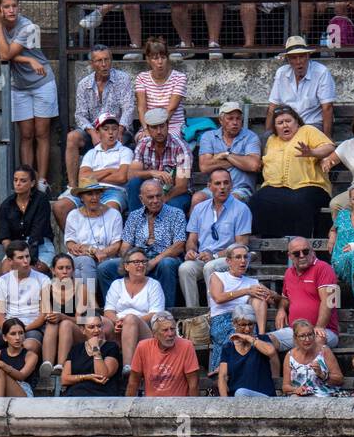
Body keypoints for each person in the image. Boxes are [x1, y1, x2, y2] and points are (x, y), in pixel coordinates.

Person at [0, 0, 56, 192]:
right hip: (19, 85)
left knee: (42, 133)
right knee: (26, 134)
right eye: (6, 7)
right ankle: (27, 178)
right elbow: (3, 54)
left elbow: (7, 54)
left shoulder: (29, 26)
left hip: (41, 82)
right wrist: (28, 61)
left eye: (14, 6)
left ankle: (42, 181)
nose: (11, 10)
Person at [252, 105, 334, 240]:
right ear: (275, 127)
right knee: (258, 200)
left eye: (288, 121)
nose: (285, 125)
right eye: (280, 123)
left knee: (299, 201)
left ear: (297, 121)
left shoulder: (307, 130)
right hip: (276, 186)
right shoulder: (272, 140)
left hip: (309, 185)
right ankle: (271, 248)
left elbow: (329, 147)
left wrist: (312, 152)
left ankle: (301, 245)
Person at [103, 178, 186, 308]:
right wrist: (133, 261)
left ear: (163, 196)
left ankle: (165, 314)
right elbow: (125, 246)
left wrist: (153, 261)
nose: (155, 200)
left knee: (166, 264)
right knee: (105, 268)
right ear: (141, 199)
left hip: (164, 256)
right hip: (138, 256)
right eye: (150, 197)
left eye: (159, 196)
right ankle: (113, 310)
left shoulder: (176, 214)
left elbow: (179, 245)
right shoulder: (134, 216)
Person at [179, 168, 251, 308]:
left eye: (226, 183)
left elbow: (241, 244)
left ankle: (213, 312)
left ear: (231, 185)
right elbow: (192, 239)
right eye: (217, 183)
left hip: (229, 258)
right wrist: (191, 251)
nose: (222, 187)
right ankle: (192, 314)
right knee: (185, 268)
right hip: (204, 257)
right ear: (209, 186)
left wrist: (216, 255)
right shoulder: (199, 208)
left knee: (210, 267)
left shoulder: (241, 209)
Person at [68, 45, 135, 190]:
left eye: (106, 60)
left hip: (118, 129)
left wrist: (120, 130)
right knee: (72, 137)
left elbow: (128, 108)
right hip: (94, 131)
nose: (103, 64)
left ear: (111, 60)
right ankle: (73, 187)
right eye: (98, 61)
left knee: (118, 139)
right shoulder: (84, 84)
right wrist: (93, 132)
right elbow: (80, 114)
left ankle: (113, 186)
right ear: (91, 63)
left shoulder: (123, 79)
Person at [53, 112, 131, 230]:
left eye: (114, 129)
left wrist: (93, 175)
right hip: (88, 190)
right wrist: (110, 170)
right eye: (106, 129)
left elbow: (122, 177)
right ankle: (75, 244)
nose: (111, 133)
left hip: (114, 191)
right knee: (60, 207)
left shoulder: (125, 151)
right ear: (98, 132)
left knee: (110, 210)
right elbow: (82, 178)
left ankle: (105, 247)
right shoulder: (91, 153)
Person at [0, 240, 49, 363]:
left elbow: (43, 315)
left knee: (29, 347)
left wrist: (22, 330)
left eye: (27, 256)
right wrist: (11, 331)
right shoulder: (2, 281)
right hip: (8, 326)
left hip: (32, 327)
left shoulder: (43, 280)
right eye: (20, 258)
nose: (26, 261)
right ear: (10, 261)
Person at [103, 248, 165, 372]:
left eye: (143, 262)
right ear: (126, 266)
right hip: (118, 326)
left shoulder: (154, 285)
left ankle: (128, 367)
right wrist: (118, 322)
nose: (141, 265)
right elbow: (108, 310)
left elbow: (155, 313)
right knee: (101, 322)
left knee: (131, 319)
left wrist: (129, 322)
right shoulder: (117, 284)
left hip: (144, 329)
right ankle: (98, 365)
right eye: (136, 262)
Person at [273, 237, 338, 350]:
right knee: (266, 342)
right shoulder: (289, 273)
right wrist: (281, 309)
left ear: (313, 251)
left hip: (322, 330)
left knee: (315, 341)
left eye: (306, 251)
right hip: (295, 331)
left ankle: (313, 368)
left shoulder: (324, 268)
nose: (302, 255)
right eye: (296, 253)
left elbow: (329, 301)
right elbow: (285, 298)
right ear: (290, 256)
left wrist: (319, 326)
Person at [194, 101, 262, 207]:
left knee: (231, 201)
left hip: (240, 190)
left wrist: (227, 155)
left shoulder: (250, 137)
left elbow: (253, 165)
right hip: (214, 189)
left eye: (238, 118)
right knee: (197, 199)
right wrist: (241, 161)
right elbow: (204, 166)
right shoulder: (209, 137)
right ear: (221, 120)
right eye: (230, 118)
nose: (235, 122)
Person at [125, 108, 192, 215]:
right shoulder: (142, 144)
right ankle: (136, 223)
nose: (159, 131)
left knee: (173, 206)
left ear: (167, 125)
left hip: (174, 193)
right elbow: (131, 175)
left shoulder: (181, 148)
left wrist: (159, 201)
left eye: (162, 126)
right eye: (154, 127)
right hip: (150, 191)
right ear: (147, 128)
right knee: (134, 183)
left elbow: (182, 186)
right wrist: (152, 172)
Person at [63, 182, 123, 296]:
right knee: (85, 261)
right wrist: (92, 251)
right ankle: (90, 305)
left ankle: (87, 306)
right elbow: (70, 243)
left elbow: (116, 245)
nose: (94, 197)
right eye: (89, 194)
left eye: (97, 193)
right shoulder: (73, 215)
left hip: (106, 257)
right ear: (81, 197)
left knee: (91, 266)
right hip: (81, 257)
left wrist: (100, 253)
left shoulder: (114, 214)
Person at [270, 37, 337, 137]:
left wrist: (327, 139)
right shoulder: (281, 73)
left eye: (301, 56)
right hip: (287, 125)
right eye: (293, 58)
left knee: (300, 140)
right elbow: (272, 106)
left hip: (312, 124)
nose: (298, 62)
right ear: (288, 60)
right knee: (266, 139)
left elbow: (327, 107)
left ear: (308, 56)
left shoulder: (321, 72)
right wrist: (268, 133)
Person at [126, 311, 198, 397]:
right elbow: (133, 383)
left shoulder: (186, 346)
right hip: (151, 406)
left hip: (178, 406)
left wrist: (191, 409)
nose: (170, 334)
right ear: (154, 334)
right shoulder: (143, 347)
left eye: (172, 329)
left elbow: (193, 384)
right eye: (165, 330)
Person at [0, 165, 54, 272]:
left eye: (23, 181)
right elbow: (5, 238)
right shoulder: (6, 205)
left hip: (40, 246)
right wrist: (13, 256)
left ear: (32, 183)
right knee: (6, 271)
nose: (18, 184)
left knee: (30, 272)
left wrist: (30, 259)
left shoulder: (41, 200)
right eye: (15, 180)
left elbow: (37, 233)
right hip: (16, 247)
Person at [218, 307, 279, 398]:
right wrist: (225, 401)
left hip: (264, 398)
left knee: (241, 393)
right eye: (243, 325)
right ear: (234, 324)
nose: (247, 329)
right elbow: (222, 377)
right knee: (240, 393)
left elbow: (271, 351)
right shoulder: (228, 347)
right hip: (237, 402)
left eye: (250, 324)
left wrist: (248, 338)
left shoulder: (262, 339)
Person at [133, 37, 186, 139]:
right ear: (148, 59)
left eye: (163, 57)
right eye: (155, 58)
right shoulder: (141, 78)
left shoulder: (179, 77)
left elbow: (171, 108)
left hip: (173, 125)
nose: (160, 62)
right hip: (149, 125)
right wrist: (146, 129)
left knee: (166, 139)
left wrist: (159, 130)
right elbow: (141, 108)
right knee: (143, 140)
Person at [61, 312, 123, 398]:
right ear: (83, 330)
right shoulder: (76, 349)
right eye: (91, 327)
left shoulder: (111, 347)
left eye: (99, 326)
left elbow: (102, 375)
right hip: (74, 396)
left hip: (101, 397)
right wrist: (87, 377)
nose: (97, 330)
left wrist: (95, 348)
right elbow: (64, 379)